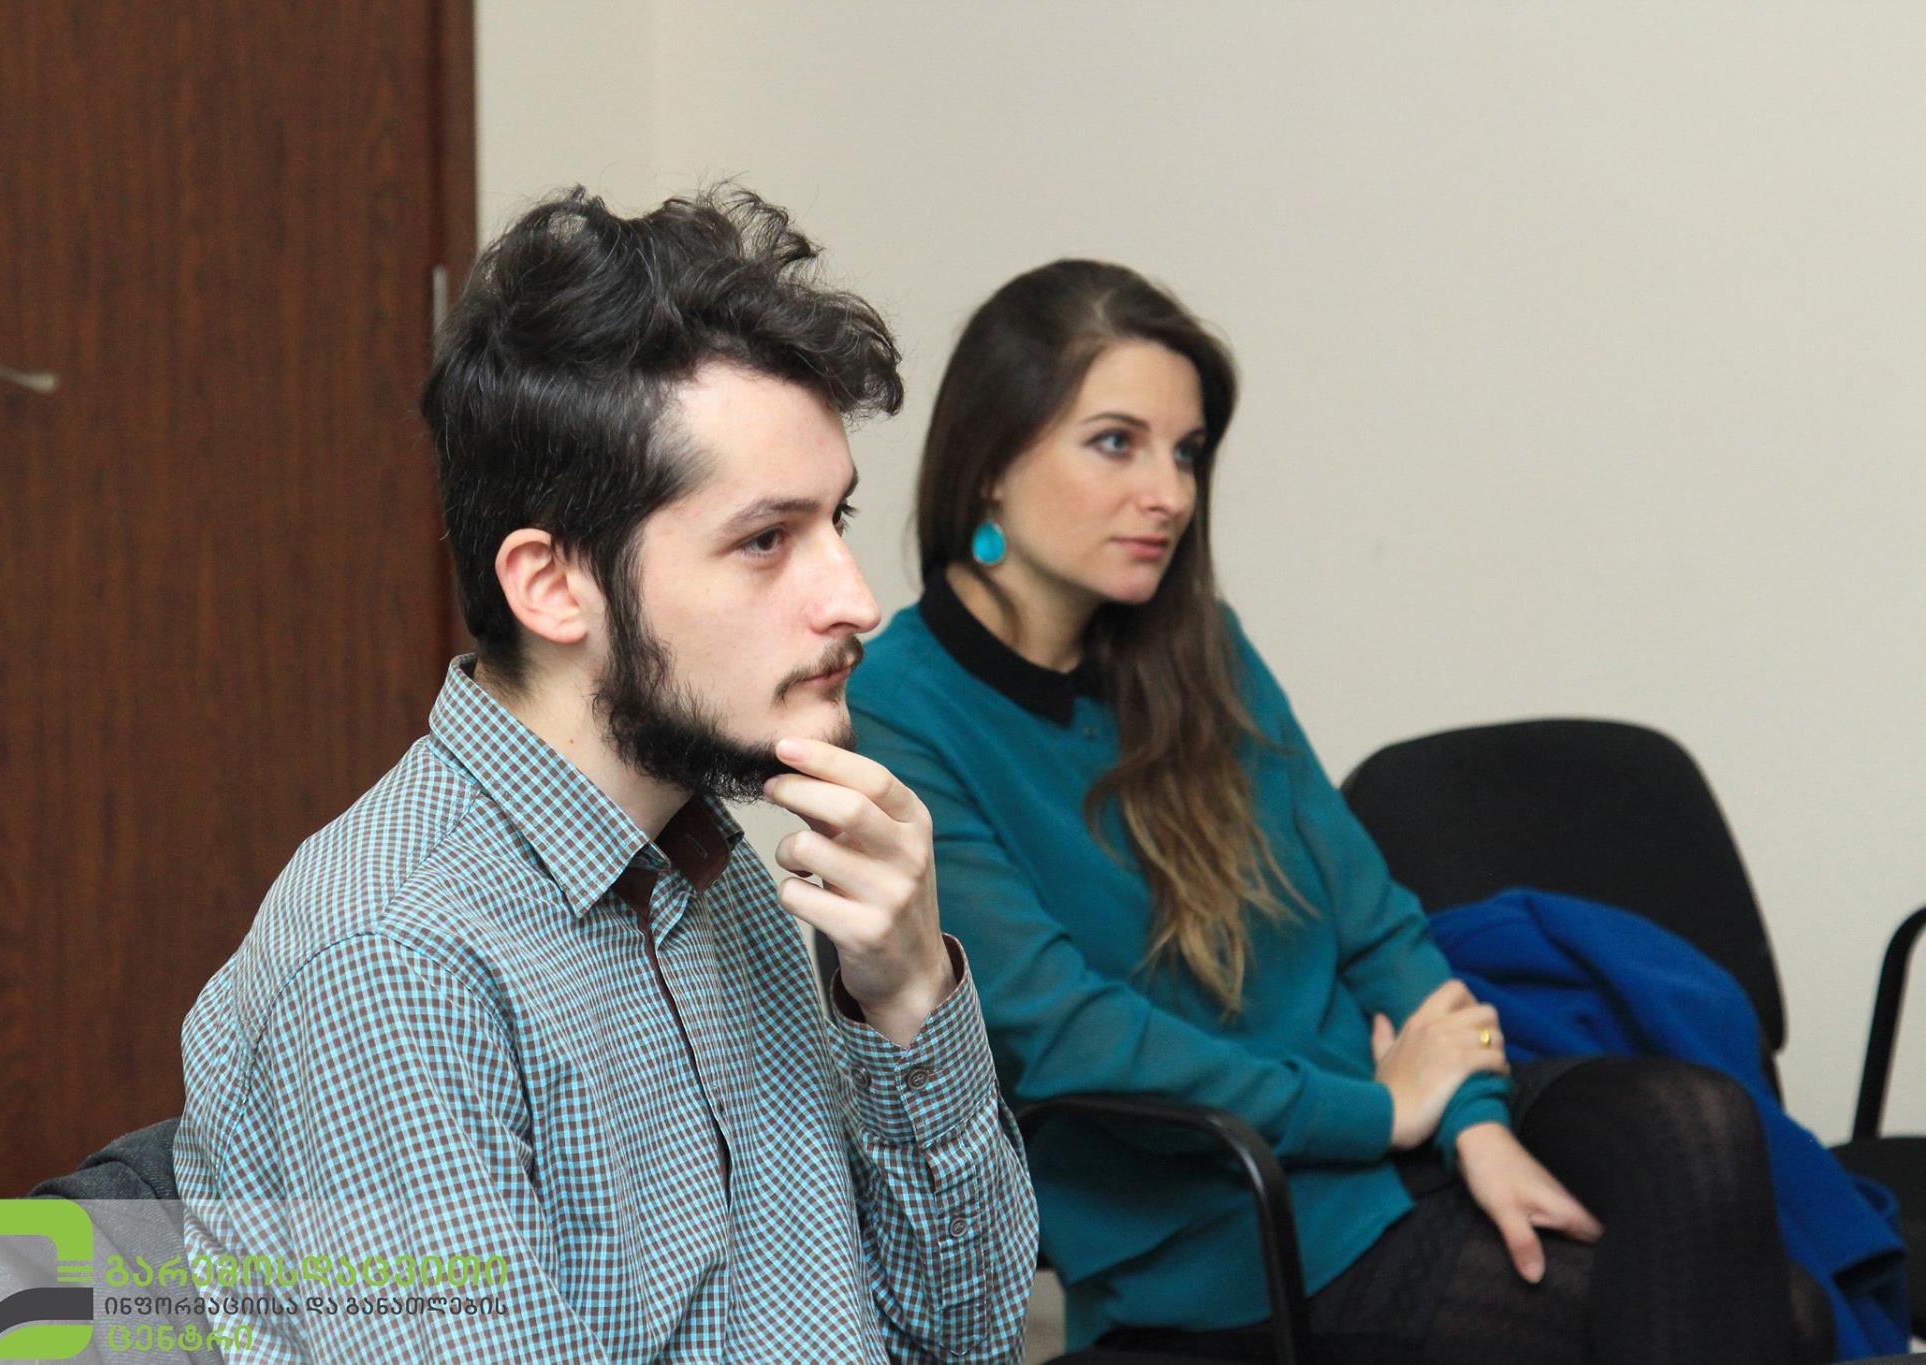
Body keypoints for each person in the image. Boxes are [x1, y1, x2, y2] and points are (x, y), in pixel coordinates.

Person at [849, 259, 1831, 1363]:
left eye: (1186, 452)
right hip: (1233, 1213)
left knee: (1697, 1126)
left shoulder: (1198, 648)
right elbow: (1067, 1038)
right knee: (1779, 1321)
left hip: (1392, 1128)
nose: (1169, 493)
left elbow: (1372, 919)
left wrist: (1474, 1124)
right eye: (1116, 443)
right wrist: (1383, 1112)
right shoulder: (899, 709)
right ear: (989, 462)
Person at [173, 186, 1037, 1362]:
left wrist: (906, 994)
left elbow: (965, 1336)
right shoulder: (394, 961)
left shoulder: (712, 863)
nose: (855, 600)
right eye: (765, 540)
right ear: (551, 586)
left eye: (835, 522)